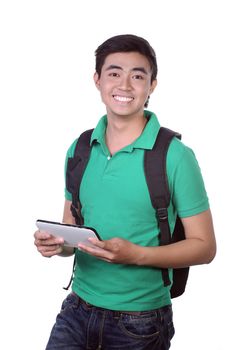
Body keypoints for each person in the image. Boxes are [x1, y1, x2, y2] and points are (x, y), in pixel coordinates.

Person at [34, 34, 216, 350]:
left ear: (152, 85)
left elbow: (204, 247)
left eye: (138, 76)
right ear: (98, 80)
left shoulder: (175, 156)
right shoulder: (80, 148)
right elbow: (73, 234)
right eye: (114, 73)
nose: (125, 85)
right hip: (76, 309)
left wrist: (137, 255)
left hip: (140, 321)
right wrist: (57, 245)